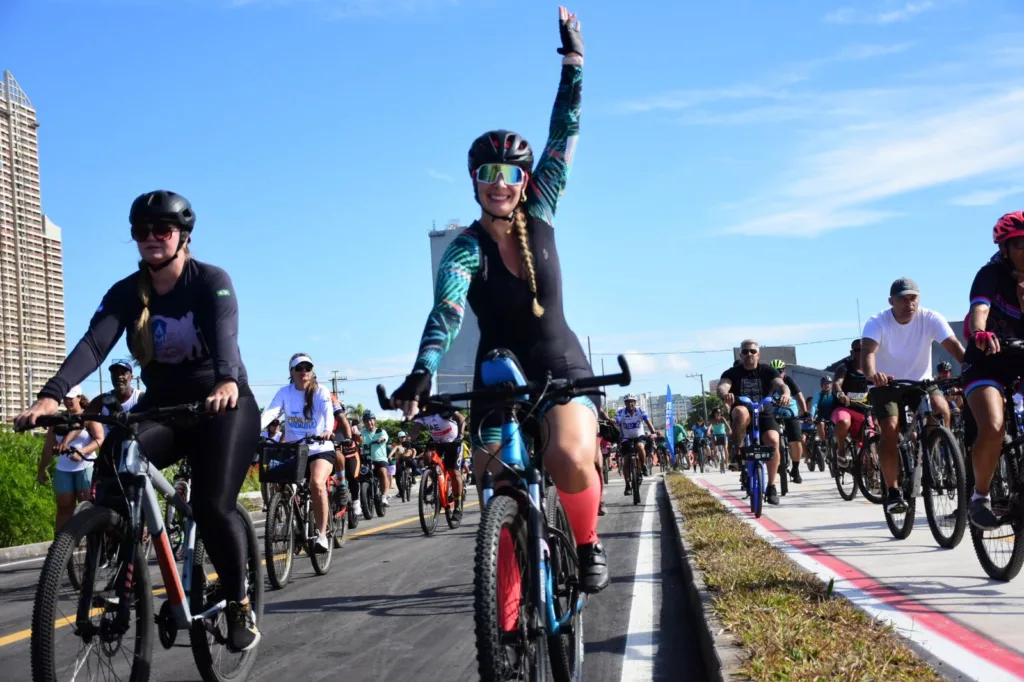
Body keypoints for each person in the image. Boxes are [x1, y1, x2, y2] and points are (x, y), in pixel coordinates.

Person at [385, 8, 609, 593]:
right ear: (474, 180)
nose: (500, 181)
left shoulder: (541, 209)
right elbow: (448, 310)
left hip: (560, 365)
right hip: (495, 374)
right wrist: (421, 371)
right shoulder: (464, 247)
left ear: (526, 179)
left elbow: (566, 130)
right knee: (497, 490)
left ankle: (586, 545)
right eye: (488, 171)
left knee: (565, 460)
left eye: (511, 171)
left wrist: (573, 62)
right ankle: (505, 613)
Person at [13, 190, 261, 651]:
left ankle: (240, 603)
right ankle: (121, 572)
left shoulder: (210, 281)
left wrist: (226, 381)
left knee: (211, 505)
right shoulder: (127, 292)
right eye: (141, 231)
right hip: (164, 407)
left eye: (161, 230)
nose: (150, 238)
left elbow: (227, 334)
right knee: (112, 466)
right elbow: (93, 346)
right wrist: (50, 396)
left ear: (183, 236)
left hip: (222, 406)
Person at [862, 277, 965, 514]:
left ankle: (934, 452)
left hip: (921, 382)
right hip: (886, 384)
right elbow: (867, 352)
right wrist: (872, 374)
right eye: (903, 299)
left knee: (942, 409)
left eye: (913, 298)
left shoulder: (930, 318)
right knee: (890, 428)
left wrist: (973, 369)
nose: (909, 303)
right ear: (891, 301)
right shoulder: (877, 322)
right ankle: (894, 490)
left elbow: (955, 347)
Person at [960, 212, 1024, 528]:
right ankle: (980, 497)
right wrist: (980, 332)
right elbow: (979, 310)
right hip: (986, 362)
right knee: (994, 426)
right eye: (1021, 245)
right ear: (1005, 249)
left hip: (1020, 361)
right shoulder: (990, 274)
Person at [260, 353, 337, 553]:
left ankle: (321, 535)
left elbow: (328, 414)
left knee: (317, 483)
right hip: (296, 449)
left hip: (320, 447)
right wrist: (253, 430)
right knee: (279, 480)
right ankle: (293, 523)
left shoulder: (321, 391)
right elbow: (271, 413)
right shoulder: (285, 392)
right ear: (291, 372)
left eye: (307, 368)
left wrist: (328, 430)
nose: (304, 371)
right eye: (299, 368)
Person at [716, 340, 791, 505]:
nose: (749, 354)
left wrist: (785, 394)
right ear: (741, 354)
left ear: (758, 354)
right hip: (742, 414)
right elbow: (723, 386)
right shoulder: (732, 372)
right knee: (741, 412)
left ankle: (771, 486)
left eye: (752, 351)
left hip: (764, 413)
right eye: (745, 351)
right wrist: (725, 394)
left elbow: (781, 385)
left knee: (773, 441)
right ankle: (737, 450)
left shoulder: (768, 371)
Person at [37, 386, 105, 535]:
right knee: (64, 508)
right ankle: (60, 550)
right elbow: (48, 446)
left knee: (88, 507)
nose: (68, 401)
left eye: (71, 398)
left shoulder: (89, 415)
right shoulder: (58, 419)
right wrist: (42, 469)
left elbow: (100, 439)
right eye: (65, 398)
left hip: (85, 466)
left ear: (79, 397)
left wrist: (82, 452)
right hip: (64, 469)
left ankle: (94, 547)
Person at [410, 408, 467, 520]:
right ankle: (435, 480)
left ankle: (458, 506)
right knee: (426, 458)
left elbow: (461, 418)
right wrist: (408, 439)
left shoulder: (440, 408)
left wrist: (460, 435)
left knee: (453, 472)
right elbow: (415, 429)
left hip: (453, 441)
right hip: (437, 441)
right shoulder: (422, 414)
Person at [769, 359, 809, 484]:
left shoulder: (789, 381)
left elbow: (799, 396)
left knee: (796, 440)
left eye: (780, 371)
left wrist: (805, 411)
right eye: (774, 372)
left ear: (784, 371)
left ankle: (796, 470)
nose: (778, 374)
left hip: (790, 412)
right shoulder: (768, 382)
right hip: (773, 413)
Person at [615, 395, 658, 489]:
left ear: (635, 402)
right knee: (626, 461)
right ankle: (627, 484)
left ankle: (643, 465)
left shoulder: (640, 410)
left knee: (640, 446)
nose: (630, 403)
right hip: (626, 438)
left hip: (639, 436)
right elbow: (616, 422)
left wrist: (653, 433)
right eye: (628, 402)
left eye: (632, 401)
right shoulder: (620, 412)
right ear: (625, 403)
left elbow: (648, 422)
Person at [360, 410, 390, 507]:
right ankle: (361, 499)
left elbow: (385, 437)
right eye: (366, 421)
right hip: (367, 460)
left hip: (380, 459)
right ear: (364, 423)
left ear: (375, 421)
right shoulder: (362, 433)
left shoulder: (380, 431)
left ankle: (384, 497)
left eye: (371, 420)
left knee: (382, 472)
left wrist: (381, 439)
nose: (369, 423)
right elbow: (357, 441)